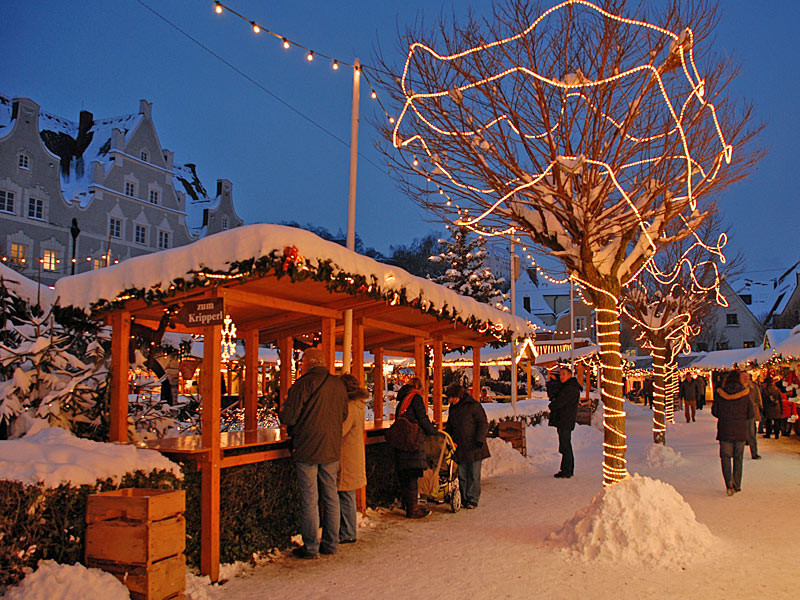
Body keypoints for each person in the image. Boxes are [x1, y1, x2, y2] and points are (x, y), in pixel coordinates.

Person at [279, 347, 348, 559]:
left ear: (309, 362)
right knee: (331, 496)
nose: (300, 366)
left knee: (310, 498)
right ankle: (331, 543)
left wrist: (283, 410)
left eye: (302, 362)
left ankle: (310, 546)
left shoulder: (303, 384)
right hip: (331, 448)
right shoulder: (338, 385)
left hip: (307, 448)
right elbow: (343, 414)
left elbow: (289, 418)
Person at [394, 377, 438, 518]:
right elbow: (422, 418)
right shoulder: (416, 398)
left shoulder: (403, 399)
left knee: (405, 474)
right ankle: (412, 509)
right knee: (412, 474)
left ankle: (406, 504)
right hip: (412, 440)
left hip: (402, 439)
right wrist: (433, 431)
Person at [445, 383, 490, 509]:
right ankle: (464, 498)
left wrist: (479, 440)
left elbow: (483, 423)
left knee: (474, 474)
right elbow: (450, 425)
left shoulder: (474, 406)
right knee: (462, 474)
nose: (450, 400)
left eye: (452, 398)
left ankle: (473, 499)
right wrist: (446, 436)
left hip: (474, 446)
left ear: (458, 396)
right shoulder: (453, 408)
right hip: (460, 446)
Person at [712, 370, 754, 495]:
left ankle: (728, 483)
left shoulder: (720, 393)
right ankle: (737, 484)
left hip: (725, 429)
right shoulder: (745, 394)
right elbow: (750, 413)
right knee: (738, 458)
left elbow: (715, 411)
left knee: (725, 457)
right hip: (740, 430)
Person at [338, 373, 369, 544]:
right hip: (353, 454)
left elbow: (341, 431)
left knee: (345, 494)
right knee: (347, 494)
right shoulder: (359, 405)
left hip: (346, 455)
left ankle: (347, 531)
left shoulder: (349, 408)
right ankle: (347, 530)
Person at [548, 366, 582, 478]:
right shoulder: (569, 386)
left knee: (565, 445)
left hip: (565, 420)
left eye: (564, 374)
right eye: (560, 374)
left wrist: (552, 405)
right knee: (565, 444)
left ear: (569, 375)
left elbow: (560, 402)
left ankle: (567, 470)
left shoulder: (570, 388)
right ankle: (567, 469)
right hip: (564, 419)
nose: (561, 377)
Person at [740, 371, 762, 459]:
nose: (746, 379)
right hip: (740, 413)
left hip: (750, 413)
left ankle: (754, 452)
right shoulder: (738, 388)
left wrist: (760, 407)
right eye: (744, 377)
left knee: (752, 434)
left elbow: (758, 397)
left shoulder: (753, 387)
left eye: (747, 377)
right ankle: (738, 454)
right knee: (740, 434)